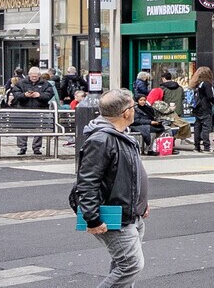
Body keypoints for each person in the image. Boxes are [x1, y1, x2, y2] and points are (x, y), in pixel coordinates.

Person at [73, 88, 150, 288]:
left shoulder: (119, 135)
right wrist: (93, 219)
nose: (135, 110)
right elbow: (87, 182)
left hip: (130, 212)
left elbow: (129, 174)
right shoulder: (102, 139)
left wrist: (141, 203)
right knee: (130, 265)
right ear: (126, 112)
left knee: (122, 264)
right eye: (133, 106)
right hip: (114, 214)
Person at [8, 65, 53, 158]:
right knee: (22, 129)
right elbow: (16, 94)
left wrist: (39, 95)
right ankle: (22, 147)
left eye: (36, 76)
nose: (34, 78)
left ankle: (36, 148)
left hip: (40, 109)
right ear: (28, 75)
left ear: (39, 75)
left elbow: (49, 95)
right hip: (24, 108)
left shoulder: (46, 84)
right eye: (32, 76)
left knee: (38, 129)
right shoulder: (21, 83)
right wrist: (24, 95)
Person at [190, 68, 214, 154]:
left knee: (197, 127)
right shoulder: (206, 83)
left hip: (197, 108)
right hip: (205, 107)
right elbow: (210, 96)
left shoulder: (196, 84)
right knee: (206, 127)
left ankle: (196, 146)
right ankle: (206, 147)